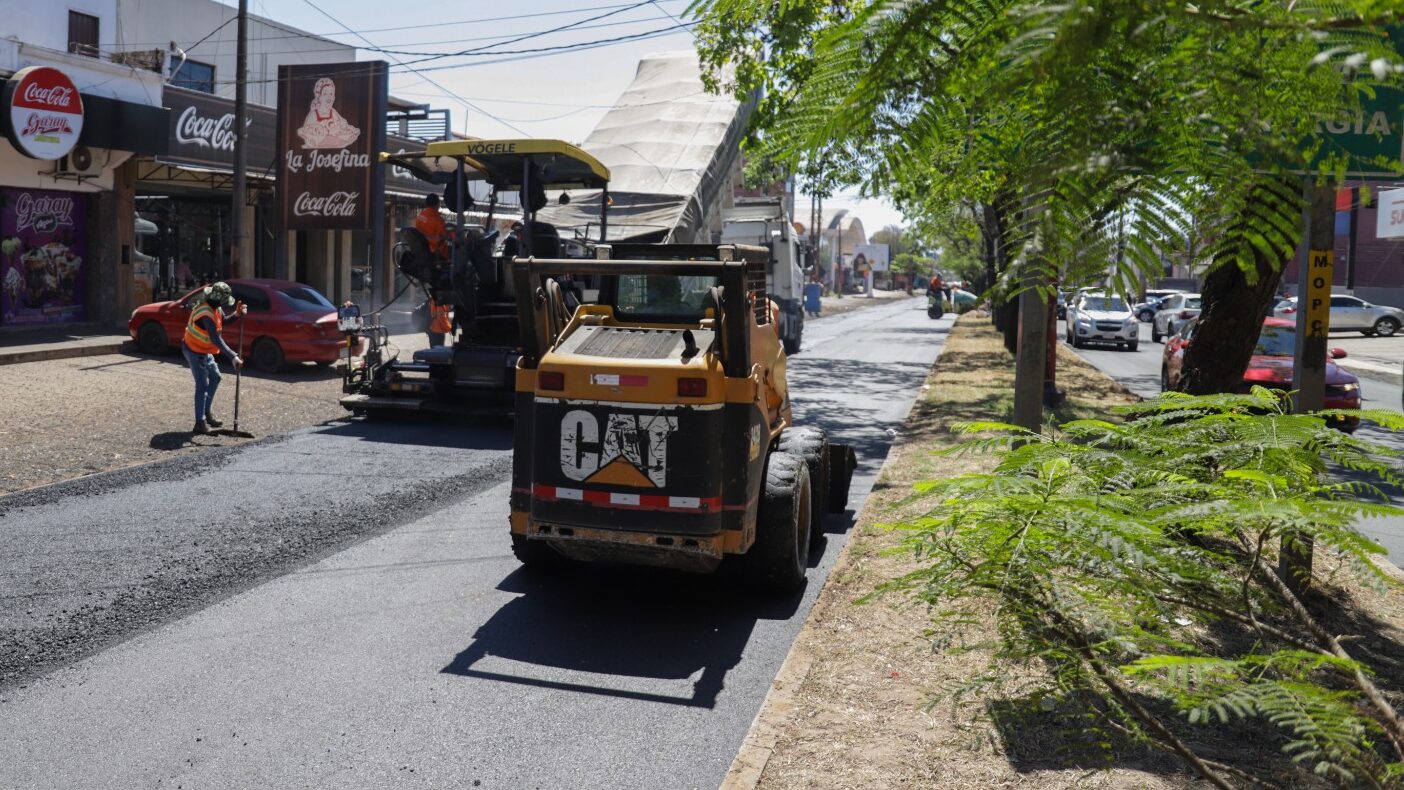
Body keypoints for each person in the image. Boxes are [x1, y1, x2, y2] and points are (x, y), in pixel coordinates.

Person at [182, 281, 245, 435]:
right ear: (218, 299)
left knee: (215, 378)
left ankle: (206, 413)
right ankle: (199, 422)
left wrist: (236, 314)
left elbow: (224, 321)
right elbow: (216, 339)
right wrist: (233, 356)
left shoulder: (215, 307)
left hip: (203, 350)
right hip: (194, 350)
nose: (225, 304)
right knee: (202, 385)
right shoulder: (206, 313)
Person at [414, 194, 447, 259]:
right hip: (435, 253)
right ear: (437, 204)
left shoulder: (419, 216)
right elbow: (446, 235)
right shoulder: (437, 220)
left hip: (421, 251)